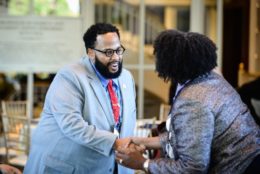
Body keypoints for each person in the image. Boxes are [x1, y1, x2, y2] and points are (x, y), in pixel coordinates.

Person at [115, 30, 260, 174]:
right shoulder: (212, 80)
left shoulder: (192, 101)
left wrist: (143, 163)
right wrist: (142, 142)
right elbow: (187, 138)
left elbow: (192, 168)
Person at [24, 23, 136, 174]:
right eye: (108, 52)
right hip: (66, 168)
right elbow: (72, 125)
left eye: (118, 50)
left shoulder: (126, 78)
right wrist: (115, 143)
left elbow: (124, 124)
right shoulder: (69, 76)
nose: (115, 57)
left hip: (111, 168)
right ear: (91, 52)